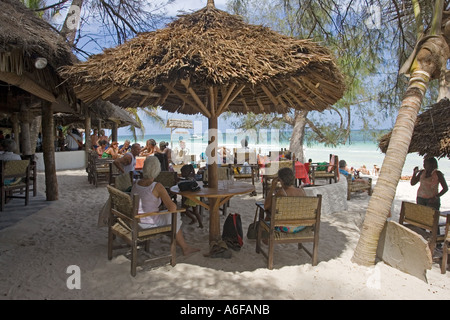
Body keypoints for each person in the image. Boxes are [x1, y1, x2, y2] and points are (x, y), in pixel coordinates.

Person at [131, 156, 199, 256]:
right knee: (175, 215)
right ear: (157, 170)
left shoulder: (136, 183)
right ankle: (185, 248)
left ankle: (182, 245)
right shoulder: (157, 186)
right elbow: (172, 208)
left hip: (135, 221)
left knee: (169, 215)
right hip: (147, 223)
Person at [263, 167, 307, 234]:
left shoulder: (282, 193)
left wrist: (272, 188)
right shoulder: (302, 191)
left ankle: (265, 240)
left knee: (265, 219)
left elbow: (266, 206)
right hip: (301, 226)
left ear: (280, 180)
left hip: (287, 227)